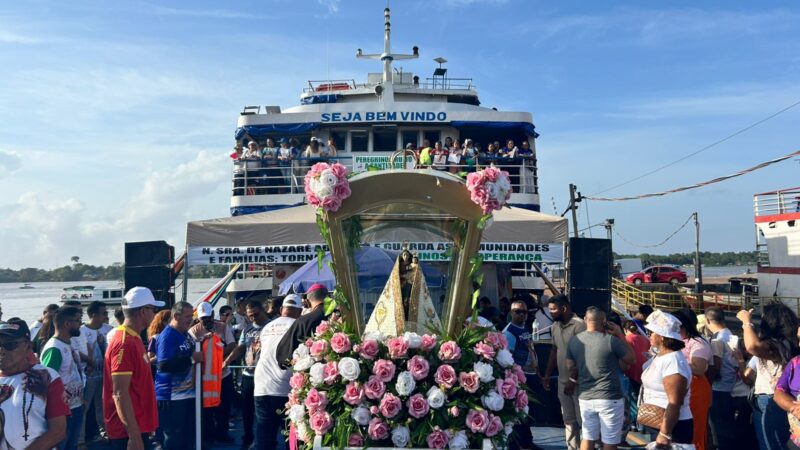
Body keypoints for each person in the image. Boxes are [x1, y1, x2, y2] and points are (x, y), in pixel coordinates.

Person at [565, 307, 634, 450]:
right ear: (604, 321)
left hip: (586, 397)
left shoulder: (575, 340)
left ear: (585, 320)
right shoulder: (610, 341)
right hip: (610, 397)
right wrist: (620, 335)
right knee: (610, 440)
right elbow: (631, 359)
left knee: (588, 437)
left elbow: (570, 366)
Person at [104, 287, 162, 450]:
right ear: (143, 312)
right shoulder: (124, 343)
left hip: (137, 428)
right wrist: (134, 437)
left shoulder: (133, 339)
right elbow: (119, 393)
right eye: (153, 309)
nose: (155, 314)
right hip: (127, 433)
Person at [737, 305, 800, 450]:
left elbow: (752, 346)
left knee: (771, 444)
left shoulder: (778, 344)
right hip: (777, 398)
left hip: (772, 398)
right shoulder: (788, 343)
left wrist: (746, 322)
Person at [0, 318, 70, 449]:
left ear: (28, 346)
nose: (1, 350)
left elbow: (58, 431)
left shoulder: (47, 377)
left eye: (9, 345)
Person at [254, 295, 303, 450]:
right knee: (293, 439)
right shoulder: (299, 325)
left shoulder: (267, 327)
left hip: (262, 387)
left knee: (264, 439)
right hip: (287, 391)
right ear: (300, 311)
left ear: (282, 310)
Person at [640, 310, 694, 448]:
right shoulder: (662, 356)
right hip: (658, 421)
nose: (649, 336)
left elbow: (675, 402)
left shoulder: (674, 362)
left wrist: (664, 433)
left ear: (663, 337)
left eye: (651, 333)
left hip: (672, 426)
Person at [222, 300, 270, 450]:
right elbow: (240, 347)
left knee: (265, 410)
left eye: (256, 314)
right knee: (247, 410)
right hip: (248, 374)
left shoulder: (270, 327)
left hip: (266, 375)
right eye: (250, 315)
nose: (253, 318)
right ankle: (247, 437)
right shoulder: (247, 329)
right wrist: (228, 360)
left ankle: (266, 440)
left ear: (263, 310)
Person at [541, 295, 587, 450]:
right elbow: (554, 350)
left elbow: (582, 357)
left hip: (579, 383)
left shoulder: (580, 326)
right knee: (568, 420)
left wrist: (572, 381)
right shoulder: (555, 326)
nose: (551, 312)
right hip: (562, 382)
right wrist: (547, 375)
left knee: (584, 422)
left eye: (553, 309)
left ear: (564, 308)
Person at [155, 302, 201, 450]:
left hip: (187, 393)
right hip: (171, 395)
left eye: (192, 316)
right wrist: (192, 359)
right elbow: (164, 365)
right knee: (174, 438)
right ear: (176, 316)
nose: (191, 319)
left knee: (188, 436)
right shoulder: (168, 336)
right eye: (188, 316)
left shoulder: (185, 333)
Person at [190, 302, 236, 445]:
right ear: (199, 317)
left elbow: (232, 345)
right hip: (204, 377)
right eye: (203, 318)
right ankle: (208, 435)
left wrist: (218, 355)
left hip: (222, 375)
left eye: (208, 317)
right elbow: (192, 351)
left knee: (224, 406)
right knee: (206, 409)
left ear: (212, 314)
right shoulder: (194, 331)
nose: (206, 321)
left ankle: (222, 433)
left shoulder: (222, 327)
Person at [40, 306, 85, 450]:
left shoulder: (67, 343)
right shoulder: (54, 348)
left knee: (72, 445)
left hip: (75, 405)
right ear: (67, 324)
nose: (80, 324)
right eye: (78, 320)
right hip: (63, 412)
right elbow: (47, 382)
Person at [669, 308, 712, 450]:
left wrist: (675, 362)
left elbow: (699, 369)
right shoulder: (675, 342)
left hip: (695, 389)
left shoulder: (697, 343)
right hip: (678, 389)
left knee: (695, 428)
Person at [502, 300, 539, 450]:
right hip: (517, 379)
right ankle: (518, 443)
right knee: (519, 412)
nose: (522, 314)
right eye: (518, 311)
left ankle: (526, 441)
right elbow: (508, 358)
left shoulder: (524, 328)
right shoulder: (509, 332)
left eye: (525, 311)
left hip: (528, 374)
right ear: (511, 313)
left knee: (526, 411)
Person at [703, 306, 739, 450]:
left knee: (720, 426)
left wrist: (708, 381)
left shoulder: (718, 338)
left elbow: (716, 364)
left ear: (707, 320)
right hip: (731, 383)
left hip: (719, 386)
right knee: (728, 423)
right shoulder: (729, 334)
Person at [80, 301, 114, 443]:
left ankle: (106, 432)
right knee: (85, 407)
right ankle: (80, 439)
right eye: (104, 313)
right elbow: (77, 352)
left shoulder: (110, 329)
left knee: (104, 405)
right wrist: (89, 361)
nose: (106, 316)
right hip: (89, 376)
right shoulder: (81, 331)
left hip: (106, 375)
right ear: (93, 315)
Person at [275, 284, 330, 369]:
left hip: (314, 375)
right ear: (329, 298)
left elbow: (283, 356)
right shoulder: (340, 315)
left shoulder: (303, 321)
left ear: (307, 302)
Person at [622, 320, 650, 431]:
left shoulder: (626, 340)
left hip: (630, 372)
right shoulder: (644, 339)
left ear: (625, 329)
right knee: (641, 399)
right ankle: (642, 423)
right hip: (643, 372)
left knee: (632, 401)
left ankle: (637, 424)